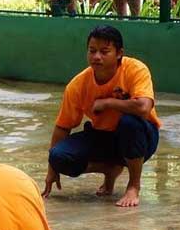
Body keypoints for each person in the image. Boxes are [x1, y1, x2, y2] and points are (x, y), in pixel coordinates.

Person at [43, 25, 161, 207]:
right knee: (59, 156)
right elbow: (63, 127)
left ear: (119, 53)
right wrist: (52, 169)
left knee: (130, 123)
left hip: (141, 137)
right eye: (92, 51)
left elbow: (144, 108)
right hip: (102, 135)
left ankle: (133, 185)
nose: (97, 57)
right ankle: (110, 169)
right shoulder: (77, 85)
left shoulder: (136, 69)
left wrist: (108, 103)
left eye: (104, 51)